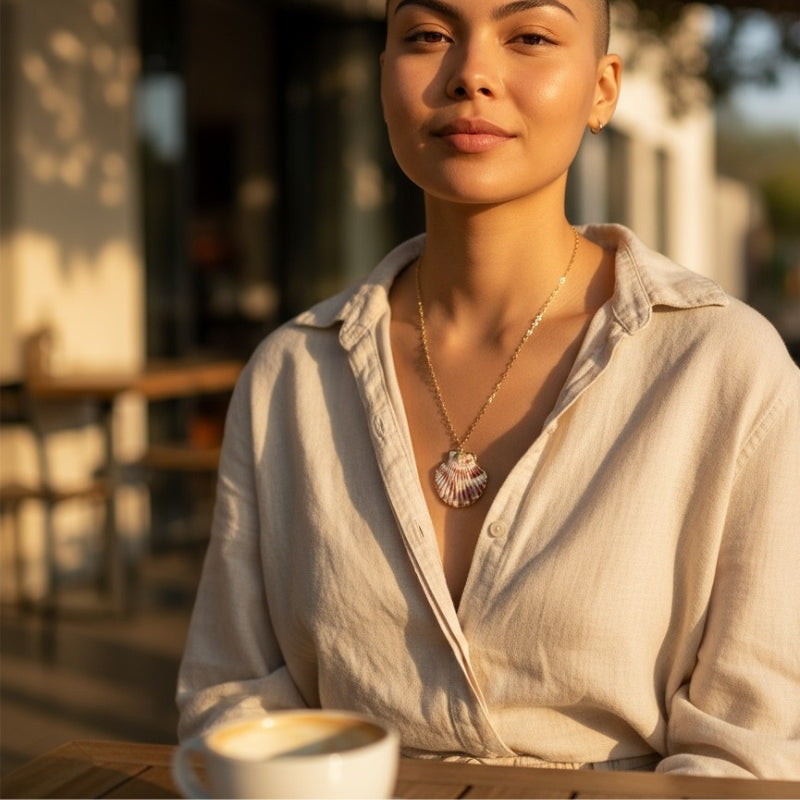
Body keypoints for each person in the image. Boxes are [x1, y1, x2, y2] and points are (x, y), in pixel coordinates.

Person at [176, 0, 800, 778]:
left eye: (530, 36)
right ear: (385, 81)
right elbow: (232, 699)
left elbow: (748, 753)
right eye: (429, 36)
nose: (471, 74)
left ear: (602, 89)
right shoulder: (292, 376)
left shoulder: (722, 369)